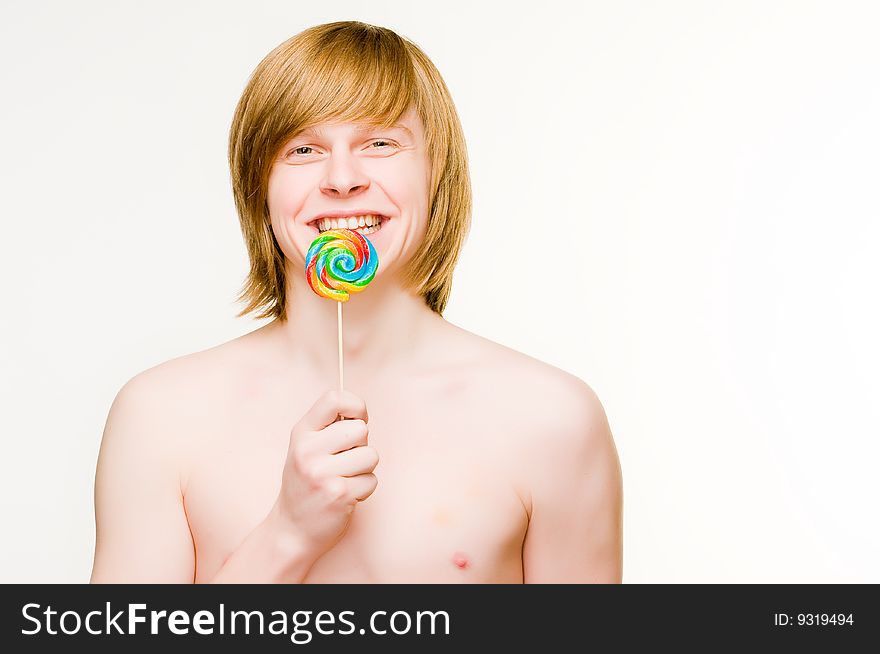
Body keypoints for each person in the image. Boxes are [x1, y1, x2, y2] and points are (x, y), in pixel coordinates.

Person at [89, 20, 623, 584]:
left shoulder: (551, 417)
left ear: (435, 171)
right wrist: (286, 536)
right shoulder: (159, 416)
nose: (342, 179)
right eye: (303, 148)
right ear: (258, 185)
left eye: (380, 143)